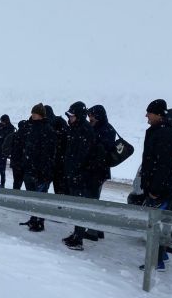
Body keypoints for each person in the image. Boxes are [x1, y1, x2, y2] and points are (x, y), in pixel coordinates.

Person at [138, 100, 172, 271]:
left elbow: (162, 165)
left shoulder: (164, 133)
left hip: (162, 189)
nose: (146, 116)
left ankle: (156, 262)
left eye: (149, 113)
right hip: (162, 187)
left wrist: (155, 190)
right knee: (160, 222)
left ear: (158, 115)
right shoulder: (161, 130)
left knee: (155, 223)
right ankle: (161, 255)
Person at [62, 101, 97, 251]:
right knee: (76, 207)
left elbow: (82, 156)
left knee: (80, 208)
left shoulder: (84, 130)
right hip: (75, 175)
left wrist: (77, 173)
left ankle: (79, 239)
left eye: (71, 116)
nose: (69, 118)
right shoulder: (76, 129)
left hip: (82, 177)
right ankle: (76, 234)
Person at [19, 104, 55, 232]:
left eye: (35, 113)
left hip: (41, 171)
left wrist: (43, 170)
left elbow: (47, 154)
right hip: (30, 168)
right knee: (32, 197)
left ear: (41, 115)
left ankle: (40, 222)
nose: (33, 115)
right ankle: (33, 219)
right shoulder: (32, 127)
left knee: (40, 198)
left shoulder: (47, 129)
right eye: (32, 113)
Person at [83, 105, 116, 241]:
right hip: (97, 171)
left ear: (98, 116)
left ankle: (92, 232)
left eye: (91, 115)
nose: (89, 118)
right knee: (93, 200)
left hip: (97, 171)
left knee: (92, 201)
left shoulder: (104, 130)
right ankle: (97, 229)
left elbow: (100, 150)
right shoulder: (105, 128)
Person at [45, 105, 69, 195]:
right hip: (58, 163)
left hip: (55, 163)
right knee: (58, 190)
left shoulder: (50, 123)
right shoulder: (59, 121)